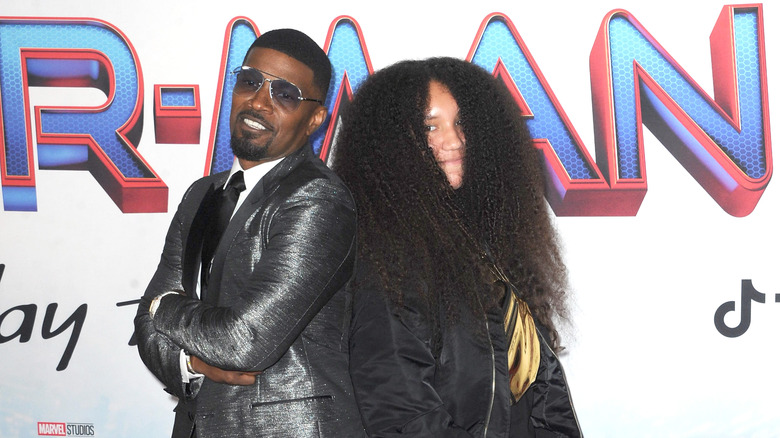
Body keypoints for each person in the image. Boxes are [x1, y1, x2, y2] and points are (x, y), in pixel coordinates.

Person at [334, 57, 582, 437]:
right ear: (390, 143)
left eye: (462, 122)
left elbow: (540, 395)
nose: (454, 140)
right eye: (430, 126)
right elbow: (402, 416)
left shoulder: (485, 245)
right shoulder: (387, 258)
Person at [135, 29, 364, 438]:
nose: (259, 101)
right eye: (250, 81)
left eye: (286, 93)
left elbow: (245, 341)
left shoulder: (319, 199)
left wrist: (161, 308)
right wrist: (190, 365)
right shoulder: (201, 194)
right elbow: (144, 326)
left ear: (315, 118)